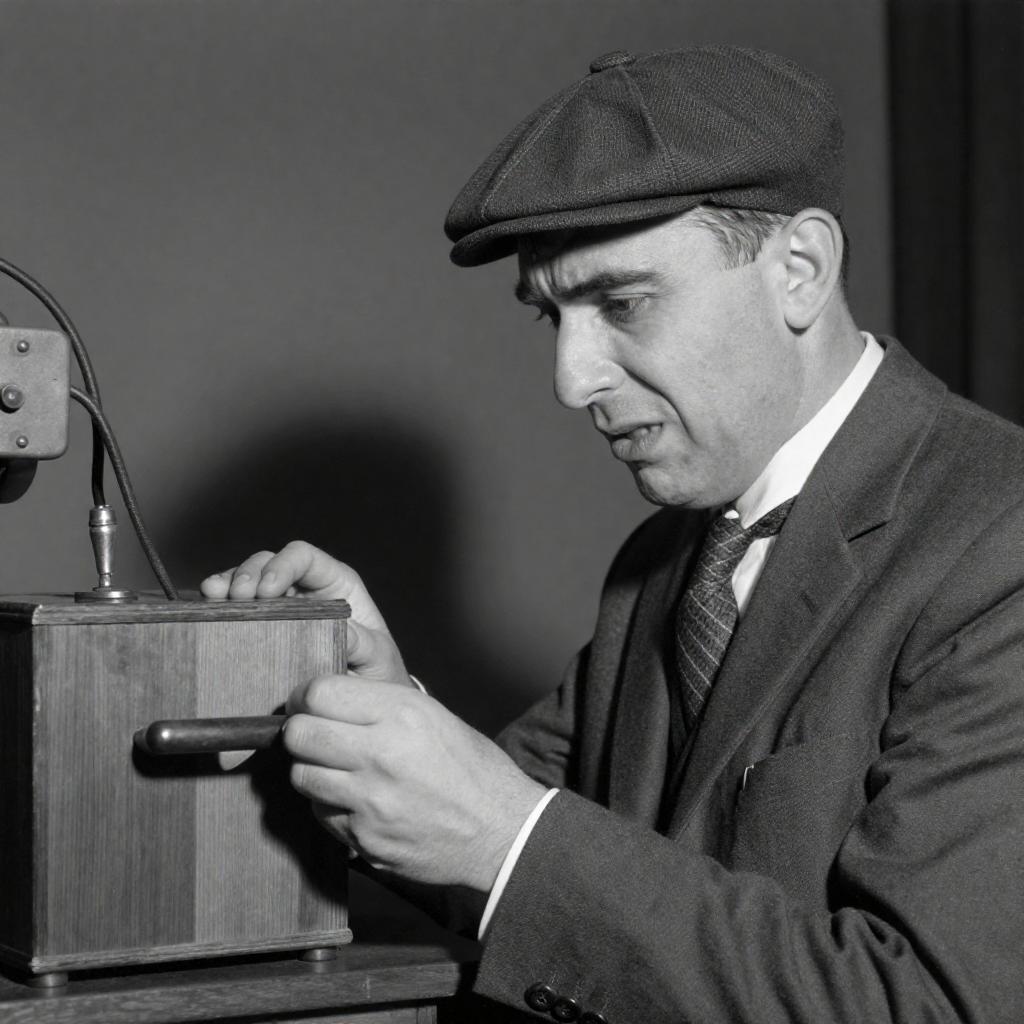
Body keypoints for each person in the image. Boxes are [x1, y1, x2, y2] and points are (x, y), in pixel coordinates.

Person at [201, 47, 1024, 1023]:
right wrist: (379, 710)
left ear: (799, 271)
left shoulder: (999, 541)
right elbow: (517, 843)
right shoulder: (663, 561)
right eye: (551, 316)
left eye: (623, 303)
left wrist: (500, 834)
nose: (571, 378)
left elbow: (930, 1003)